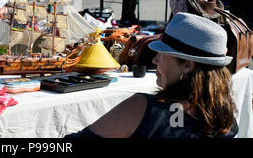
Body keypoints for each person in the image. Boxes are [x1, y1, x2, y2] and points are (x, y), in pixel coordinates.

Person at [66, 12, 238, 138]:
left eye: (162, 54)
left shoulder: (146, 110)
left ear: (187, 65)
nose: (155, 60)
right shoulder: (226, 121)